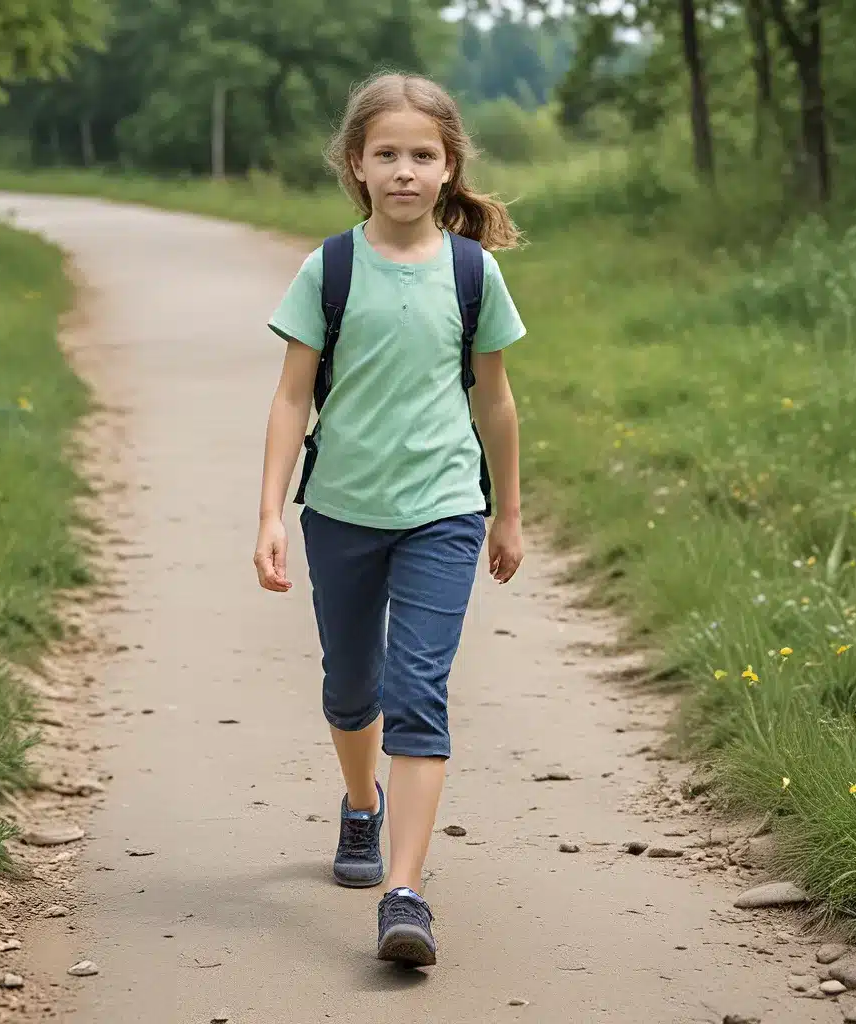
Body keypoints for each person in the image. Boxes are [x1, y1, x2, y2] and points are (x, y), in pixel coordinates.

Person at [253, 71, 526, 968]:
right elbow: (292, 399)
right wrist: (271, 514)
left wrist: (507, 513)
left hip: (445, 508)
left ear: (449, 168)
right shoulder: (328, 268)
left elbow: (496, 404)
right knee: (350, 685)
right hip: (341, 511)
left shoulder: (471, 272)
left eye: (423, 155)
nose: (404, 170)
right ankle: (360, 805)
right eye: (387, 155)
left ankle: (405, 893)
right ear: (356, 165)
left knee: (418, 691)